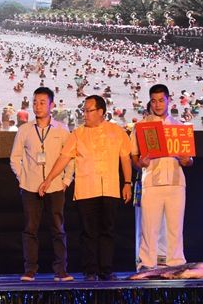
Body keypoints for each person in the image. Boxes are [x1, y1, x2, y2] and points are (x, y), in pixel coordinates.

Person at [39, 95, 132, 281]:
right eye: (84, 110)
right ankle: (90, 270)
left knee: (108, 230)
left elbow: (125, 158)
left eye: (89, 111)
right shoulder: (77, 134)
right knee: (88, 232)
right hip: (86, 189)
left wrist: (127, 183)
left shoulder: (117, 131)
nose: (85, 114)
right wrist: (48, 179)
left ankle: (106, 270)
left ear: (101, 112)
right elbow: (64, 158)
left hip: (110, 188)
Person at [10, 87, 75, 282]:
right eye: (35, 102)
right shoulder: (24, 129)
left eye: (42, 102)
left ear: (51, 105)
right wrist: (23, 179)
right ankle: (30, 270)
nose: (37, 106)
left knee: (58, 229)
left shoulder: (62, 129)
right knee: (30, 229)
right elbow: (15, 158)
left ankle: (61, 270)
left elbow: (70, 157)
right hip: (30, 187)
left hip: (55, 187)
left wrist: (66, 181)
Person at [131, 84, 194, 270]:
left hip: (176, 183)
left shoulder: (180, 127)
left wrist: (186, 160)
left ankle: (176, 264)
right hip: (151, 182)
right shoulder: (141, 127)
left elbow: (189, 160)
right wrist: (140, 163)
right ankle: (147, 264)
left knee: (175, 228)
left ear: (168, 101)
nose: (157, 105)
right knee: (149, 228)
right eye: (154, 101)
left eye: (161, 100)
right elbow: (134, 158)